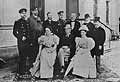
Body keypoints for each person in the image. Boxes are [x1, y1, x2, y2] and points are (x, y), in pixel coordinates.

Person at [13, 8, 31, 79]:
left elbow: (29, 31)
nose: (24, 14)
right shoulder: (17, 22)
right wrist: (20, 37)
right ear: (20, 14)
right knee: (22, 56)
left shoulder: (27, 22)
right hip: (21, 42)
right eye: (22, 13)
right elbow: (14, 32)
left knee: (27, 55)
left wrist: (28, 38)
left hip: (27, 41)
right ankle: (21, 71)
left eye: (25, 13)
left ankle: (26, 70)